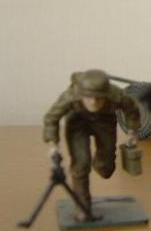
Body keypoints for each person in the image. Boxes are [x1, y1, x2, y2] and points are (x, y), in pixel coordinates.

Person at [43, 69, 140, 221]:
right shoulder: (70, 96)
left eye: (99, 98)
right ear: (81, 95)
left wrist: (133, 130)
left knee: (106, 168)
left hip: (105, 122)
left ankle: (100, 163)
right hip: (78, 125)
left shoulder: (117, 95)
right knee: (81, 164)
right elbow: (51, 118)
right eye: (88, 98)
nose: (93, 102)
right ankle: (83, 208)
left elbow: (132, 109)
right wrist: (52, 143)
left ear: (106, 95)